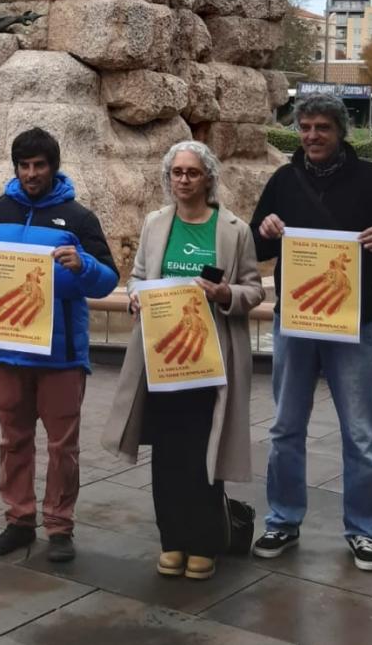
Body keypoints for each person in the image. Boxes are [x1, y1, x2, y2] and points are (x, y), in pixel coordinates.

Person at [249, 92, 372, 571]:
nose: (312, 136)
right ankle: (282, 518)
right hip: (295, 322)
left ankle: (364, 531)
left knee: (360, 434)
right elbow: (256, 242)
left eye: (322, 127)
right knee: (284, 428)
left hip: (353, 322)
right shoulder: (283, 179)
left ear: (340, 131)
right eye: (305, 128)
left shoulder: (371, 179)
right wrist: (267, 227)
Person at [102, 141, 264, 581]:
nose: (184, 180)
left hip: (212, 358)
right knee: (168, 453)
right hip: (162, 356)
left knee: (204, 452)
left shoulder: (234, 230)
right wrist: (135, 297)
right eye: (177, 172)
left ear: (209, 178)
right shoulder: (156, 223)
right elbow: (136, 277)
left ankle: (205, 542)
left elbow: (254, 289)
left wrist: (226, 294)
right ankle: (171, 539)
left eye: (193, 172)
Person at [0, 128, 118, 563]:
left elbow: (107, 281)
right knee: (14, 440)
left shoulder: (78, 217)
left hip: (61, 356)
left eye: (39, 165)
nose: (31, 173)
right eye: (24, 166)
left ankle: (60, 526)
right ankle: (19, 521)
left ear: (53, 166)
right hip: (8, 350)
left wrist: (82, 264)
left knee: (63, 445)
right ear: (16, 168)